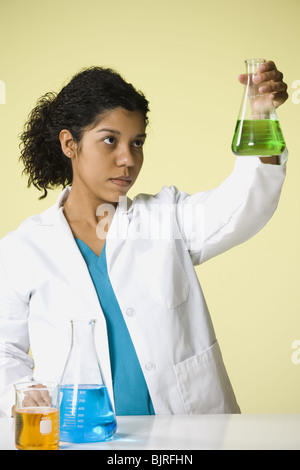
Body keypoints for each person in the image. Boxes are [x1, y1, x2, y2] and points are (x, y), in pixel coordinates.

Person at [0, 62, 288, 418]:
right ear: (69, 144)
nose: (128, 159)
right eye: (110, 140)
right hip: (84, 433)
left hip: (190, 433)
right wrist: (22, 392)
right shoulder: (23, 249)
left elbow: (241, 206)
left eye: (137, 143)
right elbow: (5, 350)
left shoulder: (165, 217)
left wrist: (261, 117)